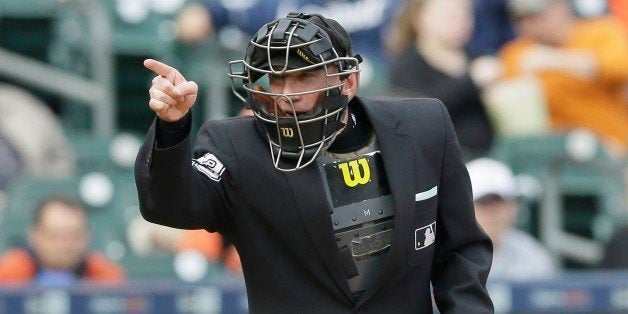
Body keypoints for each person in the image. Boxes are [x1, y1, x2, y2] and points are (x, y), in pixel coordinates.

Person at [136, 12, 493, 312]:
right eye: (276, 79)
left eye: (305, 76)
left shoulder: (424, 126)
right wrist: (172, 127)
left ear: (348, 81)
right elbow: (170, 207)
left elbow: (460, 249)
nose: (289, 95)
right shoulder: (235, 145)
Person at [499, 0, 628, 157]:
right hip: (556, 156)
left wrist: (556, 60)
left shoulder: (598, 32)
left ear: (561, 8)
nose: (528, 25)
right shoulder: (518, 54)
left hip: (613, 147)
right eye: (520, 19)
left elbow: (619, 66)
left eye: (535, 16)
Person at [386, 0, 498, 159]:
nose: (461, 20)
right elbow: (418, 112)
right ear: (419, 19)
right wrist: (470, 82)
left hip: (491, 154)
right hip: (439, 161)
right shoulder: (407, 64)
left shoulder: (476, 57)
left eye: (465, 13)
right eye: (450, 14)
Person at [466, 158, 557, 282]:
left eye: (499, 203)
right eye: (483, 203)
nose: (493, 212)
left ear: (513, 207)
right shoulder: (443, 255)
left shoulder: (533, 256)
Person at [0, 196, 125, 285]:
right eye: (55, 235)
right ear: (35, 235)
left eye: (75, 236)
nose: (66, 245)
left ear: (87, 236)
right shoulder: (8, 275)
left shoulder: (106, 276)